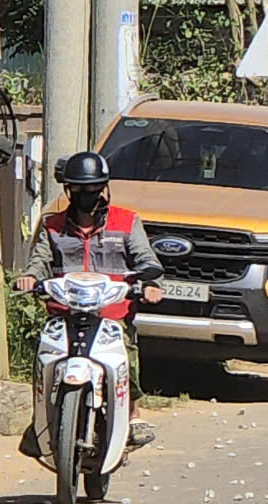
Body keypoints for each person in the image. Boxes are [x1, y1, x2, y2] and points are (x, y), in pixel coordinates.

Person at [15, 151, 165, 455]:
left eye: (94, 188)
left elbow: (146, 260)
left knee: (129, 355)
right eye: (80, 190)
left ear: (105, 188)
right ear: (69, 191)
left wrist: (150, 284)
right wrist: (30, 278)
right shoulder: (52, 225)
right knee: (43, 357)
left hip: (111, 316)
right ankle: (39, 422)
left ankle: (133, 415)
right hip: (65, 315)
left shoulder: (127, 222)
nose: (88, 196)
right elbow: (39, 260)